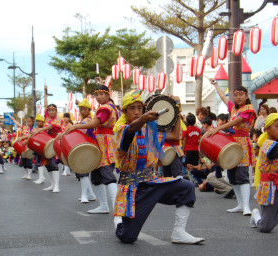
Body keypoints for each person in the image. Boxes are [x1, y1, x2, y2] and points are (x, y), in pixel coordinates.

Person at [113, 90, 204, 244]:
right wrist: (143, 118)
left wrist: (175, 110)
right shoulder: (121, 130)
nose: (136, 112)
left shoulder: (149, 131)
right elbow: (132, 130)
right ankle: (118, 223)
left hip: (151, 182)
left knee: (187, 187)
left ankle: (179, 233)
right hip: (133, 189)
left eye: (139, 108)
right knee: (128, 237)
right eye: (132, 108)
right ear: (124, 111)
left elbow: (175, 136)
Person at [63, 85, 118, 214]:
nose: (98, 97)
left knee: (107, 175)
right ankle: (104, 206)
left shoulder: (105, 108)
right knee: (97, 177)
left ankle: (117, 208)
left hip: (105, 143)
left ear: (108, 94)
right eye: (96, 94)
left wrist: (75, 126)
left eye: (101, 94)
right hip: (101, 141)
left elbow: (94, 124)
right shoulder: (106, 107)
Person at [209, 80, 256, 216]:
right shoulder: (234, 108)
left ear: (246, 96)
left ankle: (246, 206)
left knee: (242, 174)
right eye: (236, 95)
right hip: (231, 143)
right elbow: (223, 98)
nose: (238, 97)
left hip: (242, 143)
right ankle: (240, 204)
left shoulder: (248, 109)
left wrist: (218, 129)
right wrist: (216, 85)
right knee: (232, 175)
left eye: (241, 94)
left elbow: (236, 122)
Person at [30, 103, 62, 192]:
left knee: (54, 164)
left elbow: (53, 126)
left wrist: (40, 129)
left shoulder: (58, 119)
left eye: (53, 110)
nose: (51, 112)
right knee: (48, 164)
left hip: (55, 142)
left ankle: (57, 186)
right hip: (46, 142)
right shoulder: (46, 119)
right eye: (49, 110)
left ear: (56, 111)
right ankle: (52, 184)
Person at [9, 115, 35, 181]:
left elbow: (30, 136)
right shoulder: (24, 127)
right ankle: (26, 173)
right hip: (22, 145)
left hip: (29, 145)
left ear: (33, 122)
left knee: (29, 160)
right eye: (27, 121)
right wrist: (13, 119)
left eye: (30, 121)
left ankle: (29, 174)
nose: (28, 123)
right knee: (23, 161)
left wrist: (22, 138)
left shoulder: (34, 129)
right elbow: (18, 124)